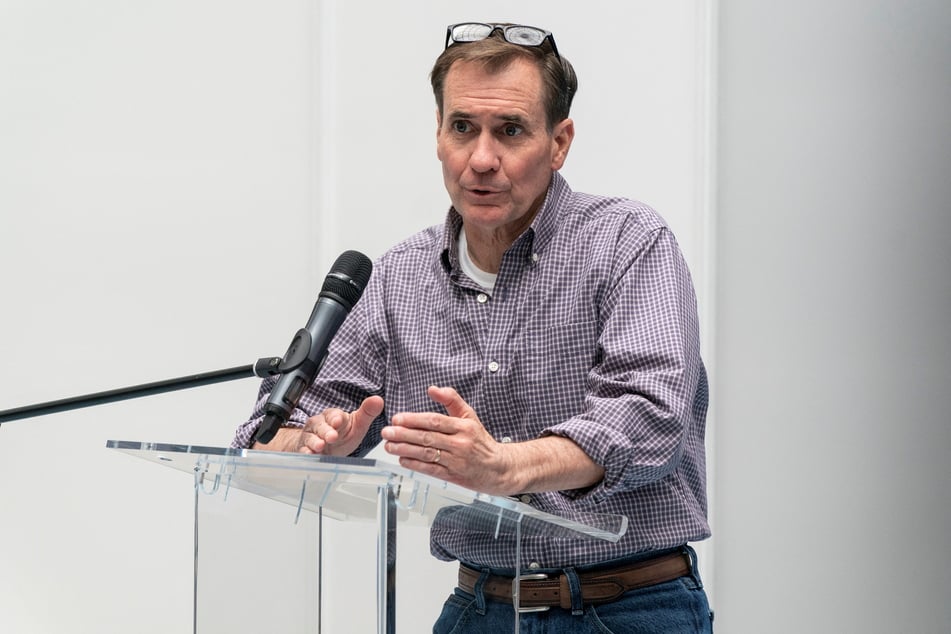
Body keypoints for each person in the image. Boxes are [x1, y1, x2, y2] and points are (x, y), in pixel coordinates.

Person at [233, 22, 712, 633]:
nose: (481, 159)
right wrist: (317, 441)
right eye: (463, 128)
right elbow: (265, 436)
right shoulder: (397, 279)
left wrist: (506, 466)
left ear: (559, 142)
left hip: (628, 608)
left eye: (509, 131)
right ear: (438, 135)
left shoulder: (627, 244)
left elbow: (650, 415)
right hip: (480, 608)